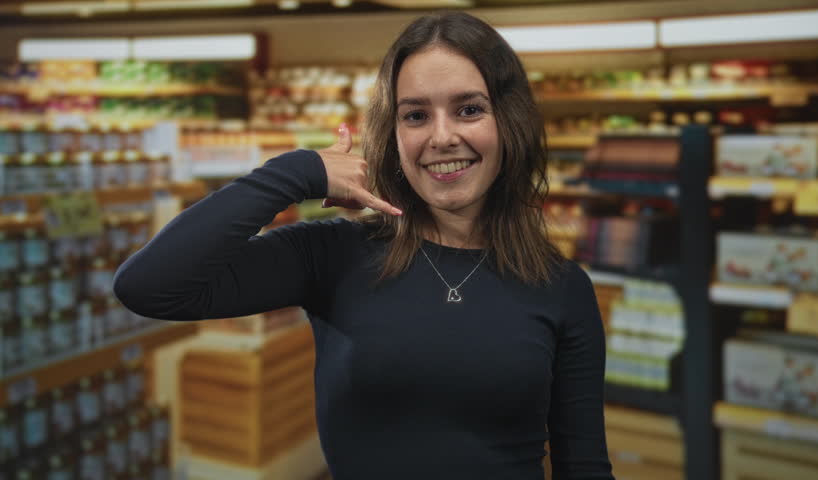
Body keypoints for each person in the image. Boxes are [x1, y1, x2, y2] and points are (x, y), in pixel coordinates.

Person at [113, 10, 614, 480]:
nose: (442, 137)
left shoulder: (561, 287)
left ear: (510, 122)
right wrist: (296, 172)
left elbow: (584, 466)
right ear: (392, 134)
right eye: (415, 116)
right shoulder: (333, 255)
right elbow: (150, 286)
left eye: (468, 109)